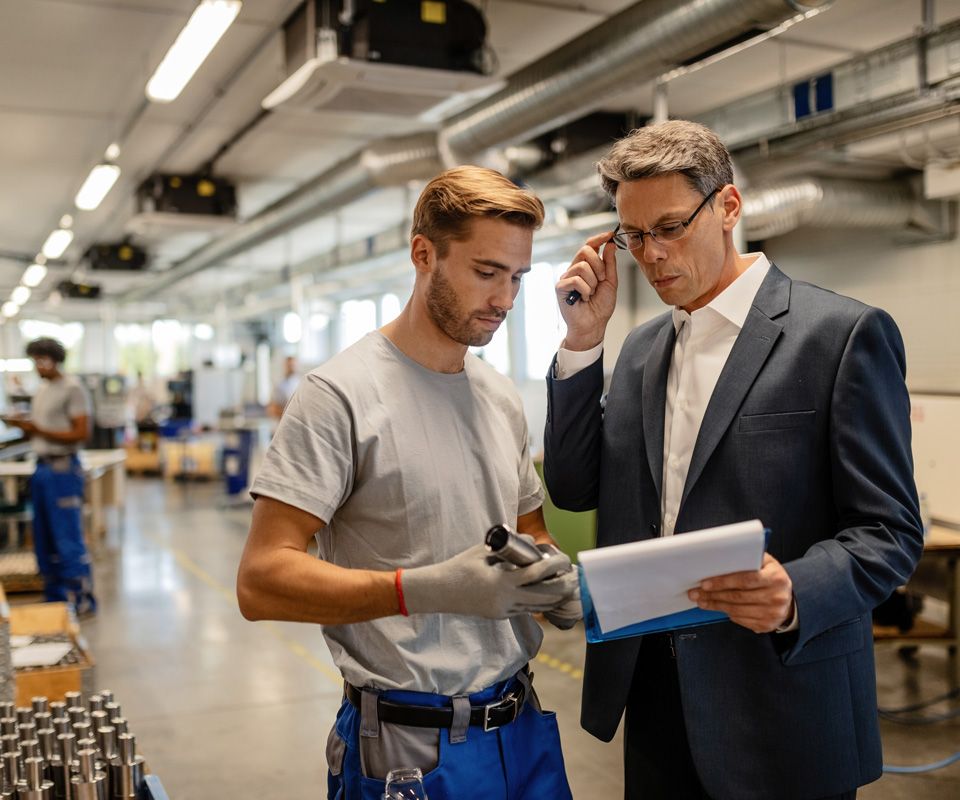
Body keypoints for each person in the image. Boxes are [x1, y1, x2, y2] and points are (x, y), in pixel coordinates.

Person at [543, 120, 923, 800]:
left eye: (670, 227)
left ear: (728, 206)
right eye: (633, 237)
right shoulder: (637, 351)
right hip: (656, 695)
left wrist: (794, 593)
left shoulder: (838, 337)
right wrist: (582, 344)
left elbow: (890, 533)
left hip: (781, 698)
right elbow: (573, 491)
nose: (652, 254)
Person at [237, 166, 580, 800]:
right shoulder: (338, 396)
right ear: (423, 254)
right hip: (409, 748)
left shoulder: (500, 398)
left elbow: (531, 533)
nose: (505, 299)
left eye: (517, 277)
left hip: (521, 727)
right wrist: (424, 589)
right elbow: (261, 581)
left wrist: (552, 582)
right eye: (486, 272)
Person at [6, 338, 97, 615]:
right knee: (44, 540)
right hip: (42, 468)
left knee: (67, 539)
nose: (37, 366)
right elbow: (42, 428)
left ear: (54, 359)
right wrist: (23, 427)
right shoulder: (43, 389)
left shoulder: (72, 388)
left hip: (63, 469)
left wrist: (38, 429)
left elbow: (81, 433)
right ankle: (55, 602)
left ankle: (82, 601)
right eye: (34, 360)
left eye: (40, 360)